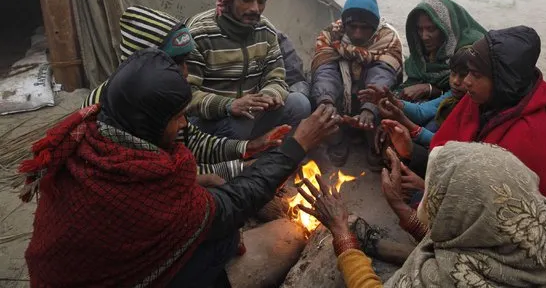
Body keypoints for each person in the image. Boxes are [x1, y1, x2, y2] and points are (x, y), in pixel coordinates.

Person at [19, 48, 341, 287]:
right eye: (177, 117)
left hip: (56, 275)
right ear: (149, 123)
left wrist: (207, 174)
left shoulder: (89, 138)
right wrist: (296, 145)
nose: (185, 122)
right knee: (223, 238)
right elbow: (233, 204)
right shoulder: (149, 189)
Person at [296, 142, 546, 288]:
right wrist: (404, 212)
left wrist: (342, 235)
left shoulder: (446, 277)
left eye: (434, 192)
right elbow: (470, 241)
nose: (427, 193)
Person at [431, 25, 546, 242]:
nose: (465, 82)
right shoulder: (481, 100)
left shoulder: (529, 135)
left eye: (475, 74)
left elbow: (505, 218)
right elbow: (445, 145)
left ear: (502, 80)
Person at [82, 5, 287, 181]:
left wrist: (249, 147)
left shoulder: (156, 98)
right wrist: (239, 169)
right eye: (176, 62)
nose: (186, 71)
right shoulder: (106, 117)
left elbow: (191, 141)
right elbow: (168, 177)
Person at [186, 0, 311, 140]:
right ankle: (230, 164)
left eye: (262, 1)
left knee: (300, 104)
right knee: (239, 123)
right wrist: (229, 105)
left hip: (249, 113)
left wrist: (270, 95)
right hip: (208, 122)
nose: (255, 8)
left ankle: (272, 156)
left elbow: (276, 78)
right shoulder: (199, 33)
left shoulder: (265, 30)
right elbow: (185, 95)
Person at [311, 0, 403, 167]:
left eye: (364, 27)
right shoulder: (330, 36)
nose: (358, 34)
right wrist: (326, 101)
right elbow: (325, 71)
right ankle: (338, 140)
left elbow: (383, 74)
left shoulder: (388, 39)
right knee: (320, 94)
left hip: (370, 102)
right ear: (345, 24)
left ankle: (375, 144)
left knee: (384, 96)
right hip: (341, 100)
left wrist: (370, 107)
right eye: (352, 27)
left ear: (374, 27)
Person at [399, 0, 485, 101]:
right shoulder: (421, 56)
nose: (424, 36)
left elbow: (470, 93)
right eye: (419, 29)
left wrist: (430, 89)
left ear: (446, 28)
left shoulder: (473, 52)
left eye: (430, 29)